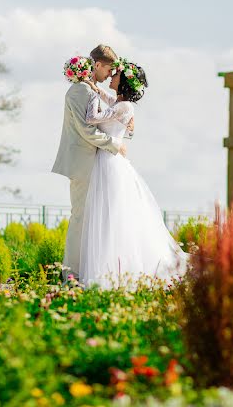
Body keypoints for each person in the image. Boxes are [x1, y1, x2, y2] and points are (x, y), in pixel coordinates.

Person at [78, 59, 187, 288]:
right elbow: (108, 100)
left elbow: (92, 118)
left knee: (111, 215)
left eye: (115, 74)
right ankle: (107, 269)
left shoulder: (125, 106)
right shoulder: (119, 102)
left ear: (124, 81)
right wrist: (94, 87)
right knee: (105, 215)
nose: (111, 77)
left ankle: (113, 272)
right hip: (105, 159)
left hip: (110, 162)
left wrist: (91, 97)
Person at [52, 45, 128, 278]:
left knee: (90, 220)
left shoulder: (89, 89)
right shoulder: (80, 91)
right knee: (80, 218)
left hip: (92, 163)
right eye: (109, 70)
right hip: (82, 164)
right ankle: (71, 275)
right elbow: (87, 131)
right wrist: (115, 145)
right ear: (97, 65)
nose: (109, 75)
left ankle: (84, 272)